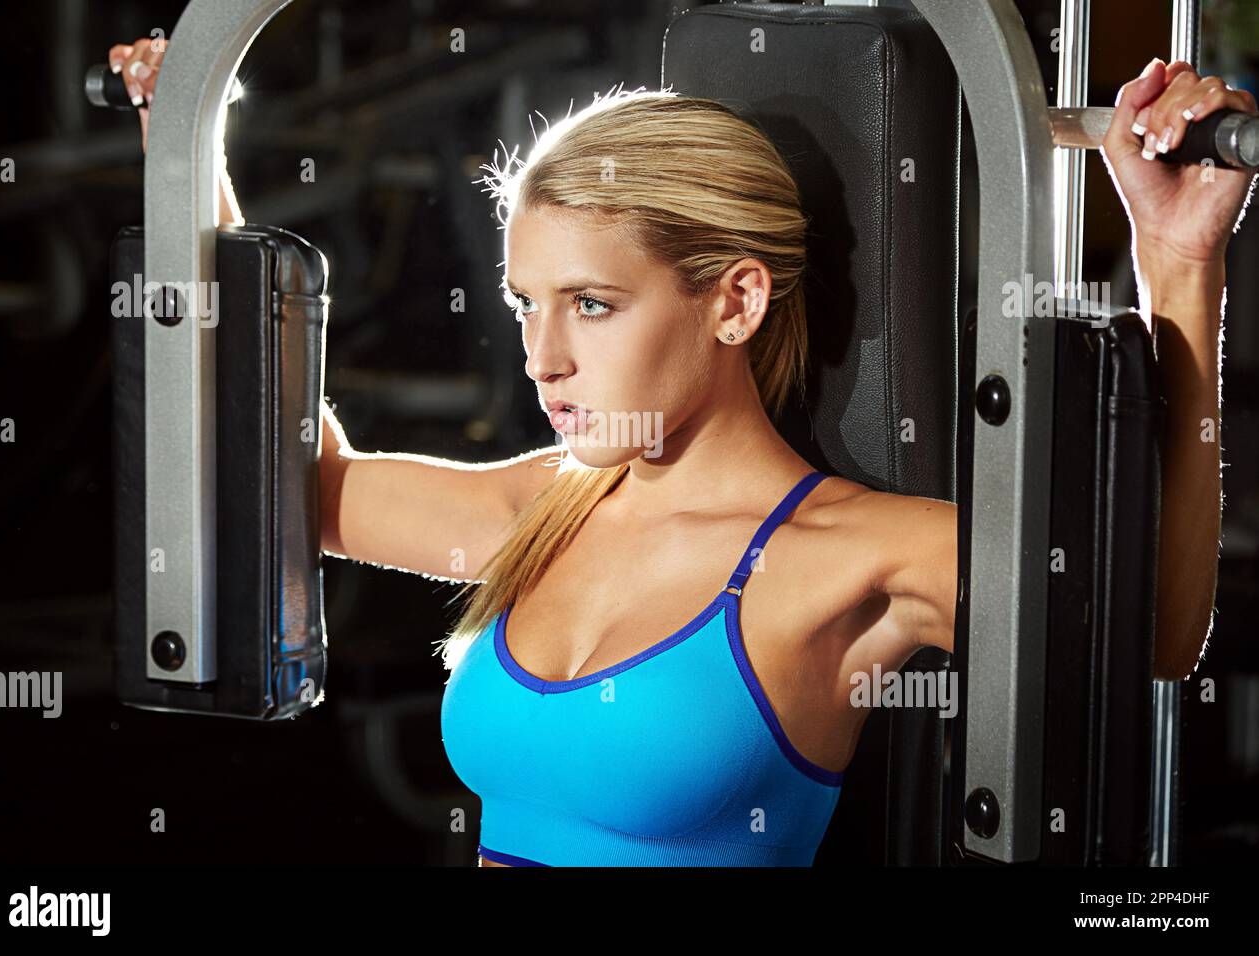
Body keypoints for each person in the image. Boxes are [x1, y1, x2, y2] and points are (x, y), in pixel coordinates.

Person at [111, 36, 1255, 866]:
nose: (542, 359)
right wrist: (192, 191)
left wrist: (1179, 262)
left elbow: (1147, 629)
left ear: (735, 301)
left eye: (593, 305)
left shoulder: (850, 559)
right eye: (525, 306)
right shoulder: (545, 505)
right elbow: (296, 491)